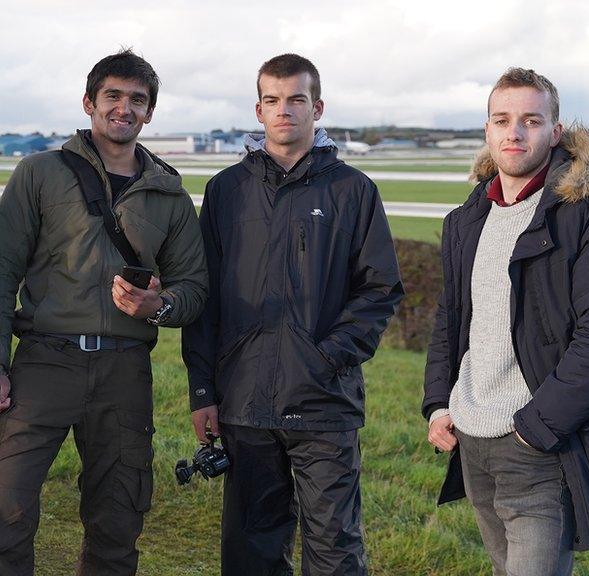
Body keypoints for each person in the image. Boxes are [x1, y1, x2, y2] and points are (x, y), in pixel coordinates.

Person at [423, 67, 589, 575]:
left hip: (537, 442)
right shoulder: (467, 221)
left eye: (531, 119)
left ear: (555, 131)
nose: (514, 131)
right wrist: (439, 403)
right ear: (486, 130)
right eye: (502, 119)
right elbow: (453, 317)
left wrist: (536, 426)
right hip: (472, 438)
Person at [0, 49, 208, 575]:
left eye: (137, 101)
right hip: (43, 360)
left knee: (117, 520)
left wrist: (159, 305)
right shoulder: (40, 174)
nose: (124, 108)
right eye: (113, 96)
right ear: (89, 103)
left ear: (149, 113)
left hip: (125, 369)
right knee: (4, 508)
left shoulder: (169, 194)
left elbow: (195, 289)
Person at [182, 53, 404, 575]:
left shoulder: (353, 190)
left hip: (323, 403)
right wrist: (202, 390)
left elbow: (380, 289)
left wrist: (325, 358)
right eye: (273, 100)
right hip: (243, 403)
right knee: (251, 550)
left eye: (297, 100)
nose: (285, 111)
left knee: (334, 551)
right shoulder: (225, 191)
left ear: (317, 107)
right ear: (259, 110)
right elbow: (204, 298)